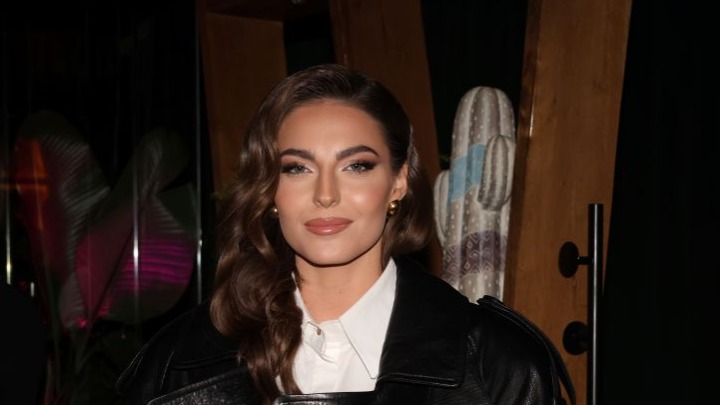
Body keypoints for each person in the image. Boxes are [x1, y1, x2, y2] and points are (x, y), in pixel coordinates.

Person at [115, 63, 574, 404]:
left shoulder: (496, 365)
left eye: (356, 166)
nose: (326, 195)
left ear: (398, 182)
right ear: (270, 189)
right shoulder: (175, 362)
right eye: (297, 168)